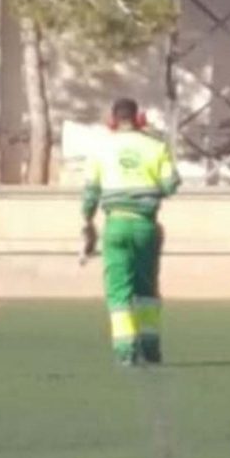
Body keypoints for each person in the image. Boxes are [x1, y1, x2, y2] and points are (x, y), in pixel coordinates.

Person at [82, 98, 180, 365]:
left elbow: (90, 193)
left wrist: (87, 222)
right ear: (139, 118)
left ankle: (125, 353)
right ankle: (150, 348)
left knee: (118, 291)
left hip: (115, 225)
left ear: (112, 120)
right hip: (146, 225)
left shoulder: (100, 149)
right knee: (147, 288)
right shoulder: (156, 146)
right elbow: (171, 185)